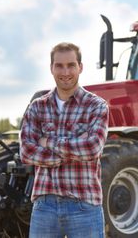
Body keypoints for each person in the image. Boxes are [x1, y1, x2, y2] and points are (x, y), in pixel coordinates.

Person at [20, 42, 109, 238]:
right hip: (44, 206)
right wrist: (72, 148)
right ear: (51, 68)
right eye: (59, 65)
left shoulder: (96, 106)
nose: (65, 71)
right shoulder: (37, 107)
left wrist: (47, 142)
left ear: (80, 67)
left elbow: (93, 148)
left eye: (71, 65)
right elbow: (26, 151)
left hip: (84, 204)